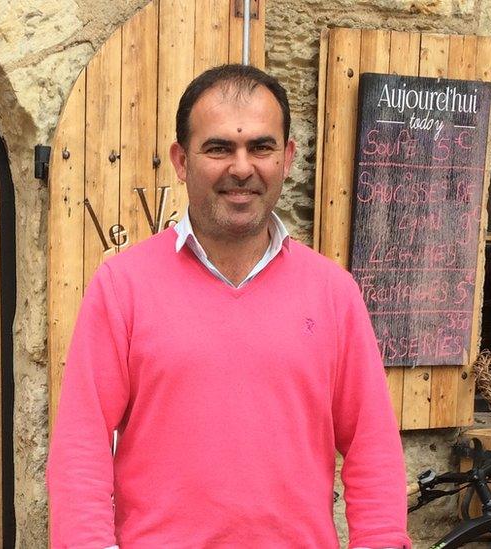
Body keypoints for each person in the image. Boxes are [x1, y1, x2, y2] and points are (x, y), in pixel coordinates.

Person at [47, 64, 410, 548]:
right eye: (219, 148)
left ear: (286, 157)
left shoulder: (333, 293)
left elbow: (373, 451)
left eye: (260, 147)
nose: (242, 167)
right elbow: (81, 446)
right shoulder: (123, 287)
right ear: (181, 160)